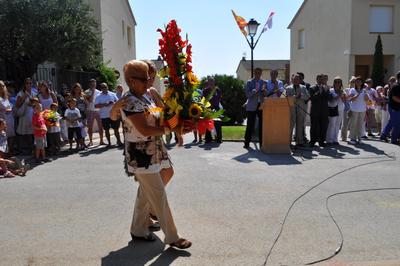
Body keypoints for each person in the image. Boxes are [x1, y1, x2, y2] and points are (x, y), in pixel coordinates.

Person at [110, 60, 192, 249]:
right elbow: (145, 129)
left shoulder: (144, 96)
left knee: (148, 191)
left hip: (154, 151)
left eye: (149, 79)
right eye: (144, 79)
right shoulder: (129, 101)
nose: (149, 83)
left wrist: (177, 124)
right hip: (141, 156)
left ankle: (139, 229)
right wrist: (171, 128)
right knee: (158, 194)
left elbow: (157, 117)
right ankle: (172, 236)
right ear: (131, 81)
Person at [244, 68, 266, 148]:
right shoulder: (249, 82)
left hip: (261, 105)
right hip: (252, 105)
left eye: (259, 73)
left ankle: (262, 143)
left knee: (262, 125)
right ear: (254, 73)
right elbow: (247, 94)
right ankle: (246, 142)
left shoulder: (264, 82)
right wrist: (254, 91)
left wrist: (264, 92)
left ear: (261, 73)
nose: (258, 74)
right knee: (250, 124)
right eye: (256, 72)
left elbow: (265, 94)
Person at [285, 73, 309, 147]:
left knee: (300, 125)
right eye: (294, 79)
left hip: (301, 108)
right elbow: (287, 98)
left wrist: (301, 96)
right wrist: (295, 97)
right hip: (292, 108)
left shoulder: (303, 87)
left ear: (300, 80)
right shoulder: (288, 88)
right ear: (292, 80)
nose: (296, 80)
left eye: (297, 79)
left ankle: (299, 142)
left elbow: (307, 97)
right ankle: (288, 142)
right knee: (290, 125)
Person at [15, 78, 36, 155]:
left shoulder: (34, 93)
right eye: (27, 83)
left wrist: (32, 104)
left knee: (32, 132)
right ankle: (27, 149)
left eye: (30, 83)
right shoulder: (20, 93)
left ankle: (32, 148)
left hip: (32, 114)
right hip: (24, 115)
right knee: (26, 133)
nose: (29, 85)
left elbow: (36, 104)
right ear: (24, 84)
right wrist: (24, 97)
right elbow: (17, 105)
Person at [309, 74, 331, 147]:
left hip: (324, 110)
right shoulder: (312, 87)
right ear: (317, 79)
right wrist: (319, 91)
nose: (322, 81)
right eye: (320, 79)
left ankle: (321, 141)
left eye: (323, 79)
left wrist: (325, 90)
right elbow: (312, 98)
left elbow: (329, 98)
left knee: (323, 126)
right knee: (314, 127)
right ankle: (312, 141)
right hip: (315, 111)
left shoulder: (327, 88)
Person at [348, 77, 369, 145]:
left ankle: (359, 138)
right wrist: (358, 94)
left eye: (360, 81)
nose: (358, 82)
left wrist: (365, 94)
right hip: (354, 109)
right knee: (353, 124)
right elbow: (351, 99)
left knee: (360, 124)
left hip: (362, 109)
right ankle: (352, 138)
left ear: (362, 82)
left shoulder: (364, 90)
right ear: (355, 83)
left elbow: (367, 100)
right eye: (357, 81)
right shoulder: (352, 90)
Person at [381, 71, 400, 144]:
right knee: (397, 124)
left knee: (391, 122)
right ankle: (394, 140)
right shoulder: (396, 86)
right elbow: (394, 97)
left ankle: (383, 135)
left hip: (397, 107)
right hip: (394, 108)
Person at [202, 77, 223, 143]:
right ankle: (208, 139)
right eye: (210, 82)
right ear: (208, 82)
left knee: (218, 124)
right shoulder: (205, 91)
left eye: (212, 81)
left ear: (214, 82)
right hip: (208, 108)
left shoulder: (217, 90)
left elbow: (219, 98)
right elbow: (203, 100)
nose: (211, 83)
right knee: (208, 123)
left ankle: (218, 139)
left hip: (216, 108)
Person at [85, 79, 104, 146]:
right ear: (89, 84)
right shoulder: (87, 92)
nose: (93, 85)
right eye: (92, 84)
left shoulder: (99, 92)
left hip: (98, 111)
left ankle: (101, 140)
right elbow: (90, 100)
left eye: (94, 84)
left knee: (100, 126)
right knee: (90, 127)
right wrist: (92, 92)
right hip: (90, 111)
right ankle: (90, 141)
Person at [326, 77, 345, 145]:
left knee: (337, 125)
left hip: (340, 109)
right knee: (331, 124)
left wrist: (344, 97)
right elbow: (331, 100)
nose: (337, 83)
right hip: (332, 109)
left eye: (339, 82)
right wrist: (339, 95)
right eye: (336, 82)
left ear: (341, 83)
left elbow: (344, 101)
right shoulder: (331, 90)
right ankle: (329, 140)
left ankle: (335, 139)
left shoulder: (343, 91)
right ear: (334, 83)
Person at [0, 81, 16, 155]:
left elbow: (9, 107)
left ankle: (10, 151)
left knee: (11, 136)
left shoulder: (5, 98)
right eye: (0, 86)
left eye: (3, 86)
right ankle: (4, 153)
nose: (2, 87)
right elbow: (7, 108)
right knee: (3, 136)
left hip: (9, 119)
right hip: (2, 119)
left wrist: (8, 109)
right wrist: (7, 109)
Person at [380, 76, 397, 141]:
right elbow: (384, 96)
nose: (392, 82)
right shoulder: (386, 87)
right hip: (387, 105)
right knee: (385, 119)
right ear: (389, 81)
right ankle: (383, 133)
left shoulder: (395, 87)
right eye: (391, 80)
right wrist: (384, 105)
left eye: (393, 80)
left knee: (391, 120)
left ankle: (389, 133)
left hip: (393, 106)